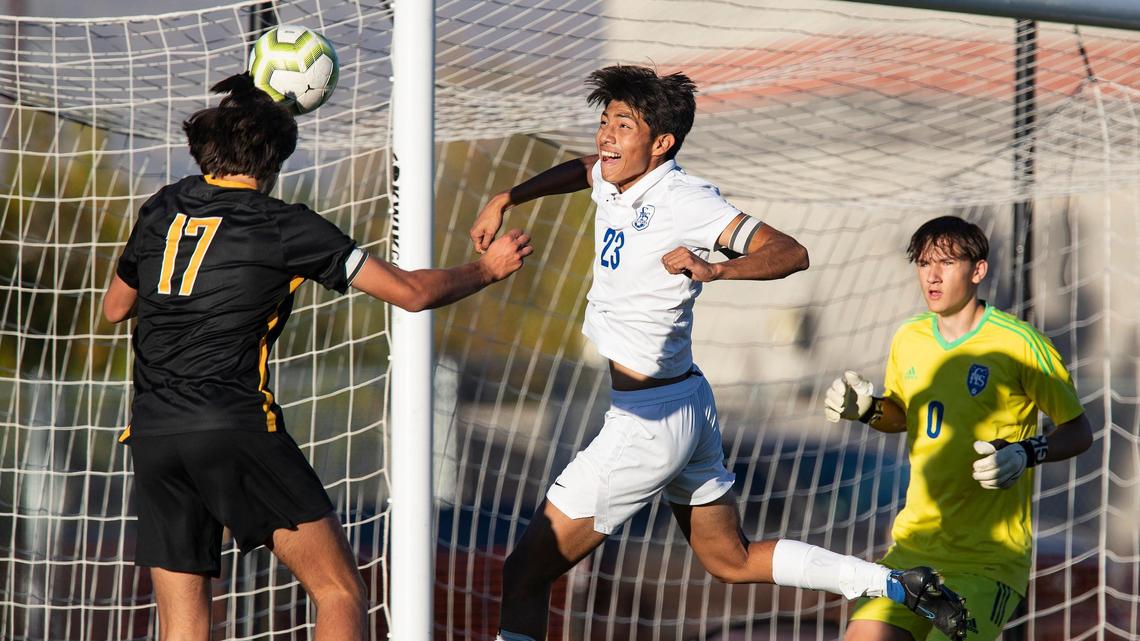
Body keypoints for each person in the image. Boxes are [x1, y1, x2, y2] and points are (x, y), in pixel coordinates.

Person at [469, 64, 967, 641]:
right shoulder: (611, 175)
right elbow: (583, 170)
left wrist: (714, 269)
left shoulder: (686, 199)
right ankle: (893, 584)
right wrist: (510, 196)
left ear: (662, 143)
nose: (606, 136)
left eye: (622, 125)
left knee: (524, 574)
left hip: (646, 424)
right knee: (730, 560)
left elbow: (791, 251)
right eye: (604, 121)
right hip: (688, 405)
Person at [102, 73, 533, 641]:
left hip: (153, 431)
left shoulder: (163, 206)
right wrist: (487, 269)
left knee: (182, 624)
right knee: (338, 591)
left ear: (205, 147)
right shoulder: (286, 226)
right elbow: (413, 293)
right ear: (277, 158)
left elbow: (114, 307)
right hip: (232, 423)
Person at [824, 215, 1093, 641]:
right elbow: (903, 415)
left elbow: (1079, 431)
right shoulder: (908, 337)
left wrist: (1026, 452)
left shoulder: (1021, 344)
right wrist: (869, 410)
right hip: (912, 548)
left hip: (988, 560)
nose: (931, 275)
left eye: (946, 263)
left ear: (978, 270)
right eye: (923, 263)